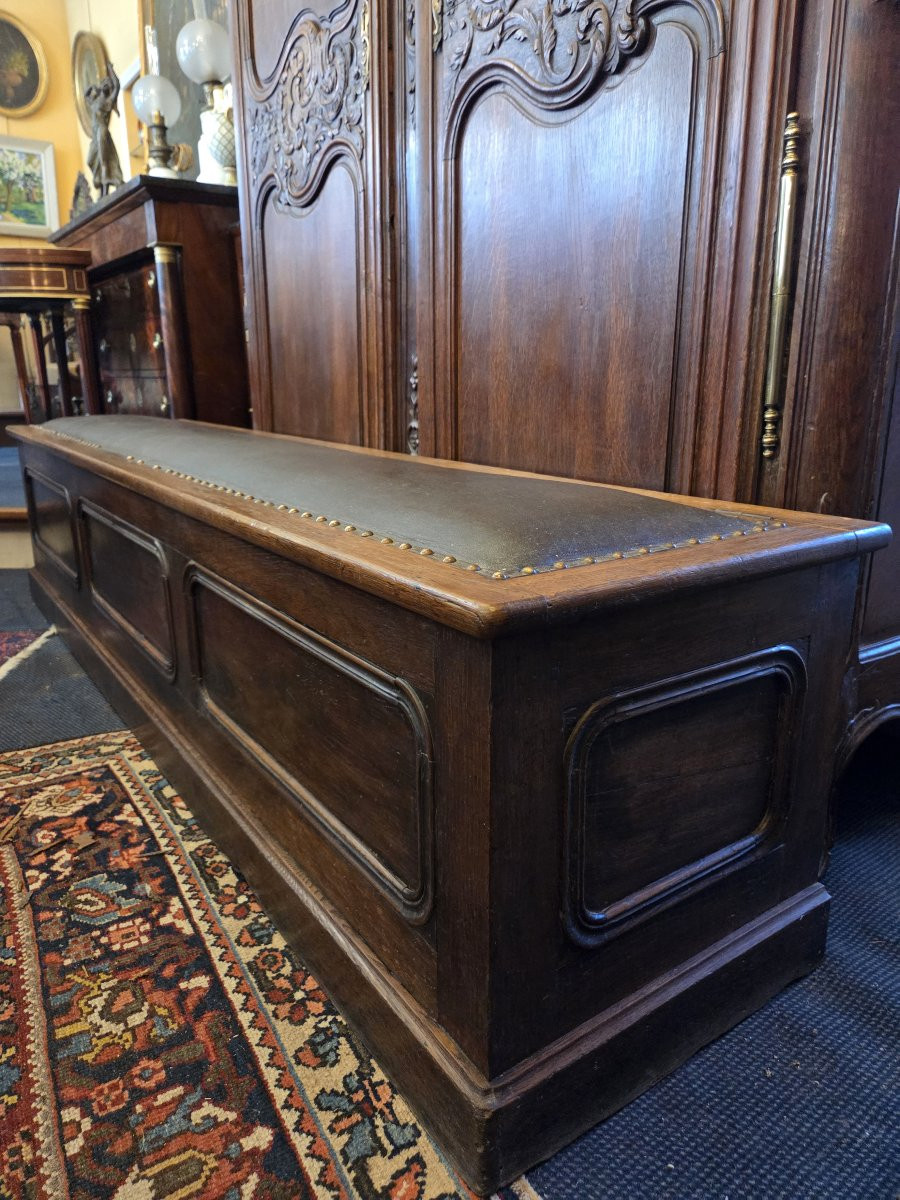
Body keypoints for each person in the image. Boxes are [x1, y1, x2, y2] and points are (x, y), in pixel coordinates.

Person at [86, 62, 124, 196]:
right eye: (103, 83)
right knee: (90, 160)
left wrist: (111, 69)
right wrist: (92, 88)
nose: (104, 85)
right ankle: (100, 183)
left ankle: (105, 191)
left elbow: (117, 85)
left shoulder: (108, 101)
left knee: (104, 161)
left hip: (102, 132)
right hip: (95, 135)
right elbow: (86, 95)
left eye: (107, 84)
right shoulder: (94, 101)